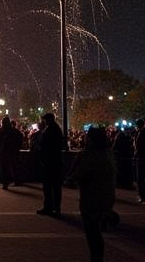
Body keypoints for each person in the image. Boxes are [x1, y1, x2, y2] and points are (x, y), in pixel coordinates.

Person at [70, 127, 116, 262]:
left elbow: (78, 175)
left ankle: (96, 259)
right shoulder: (108, 154)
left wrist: (71, 177)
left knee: (93, 234)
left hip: (91, 198)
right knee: (96, 234)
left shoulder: (88, 156)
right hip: (106, 196)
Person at [36, 112, 63, 216]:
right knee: (56, 187)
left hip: (49, 161)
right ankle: (56, 207)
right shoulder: (57, 129)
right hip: (55, 161)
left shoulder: (49, 130)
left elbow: (44, 145)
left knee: (48, 186)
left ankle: (49, 207)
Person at [0, 116, 24, 189]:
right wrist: (18, 146)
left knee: (4, 168)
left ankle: (5, 183)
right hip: (14, 151)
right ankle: (17, 180)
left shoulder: (2, 131)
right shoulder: (14, 130)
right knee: (14, 166)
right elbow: (21, 136)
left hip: (5, 151)